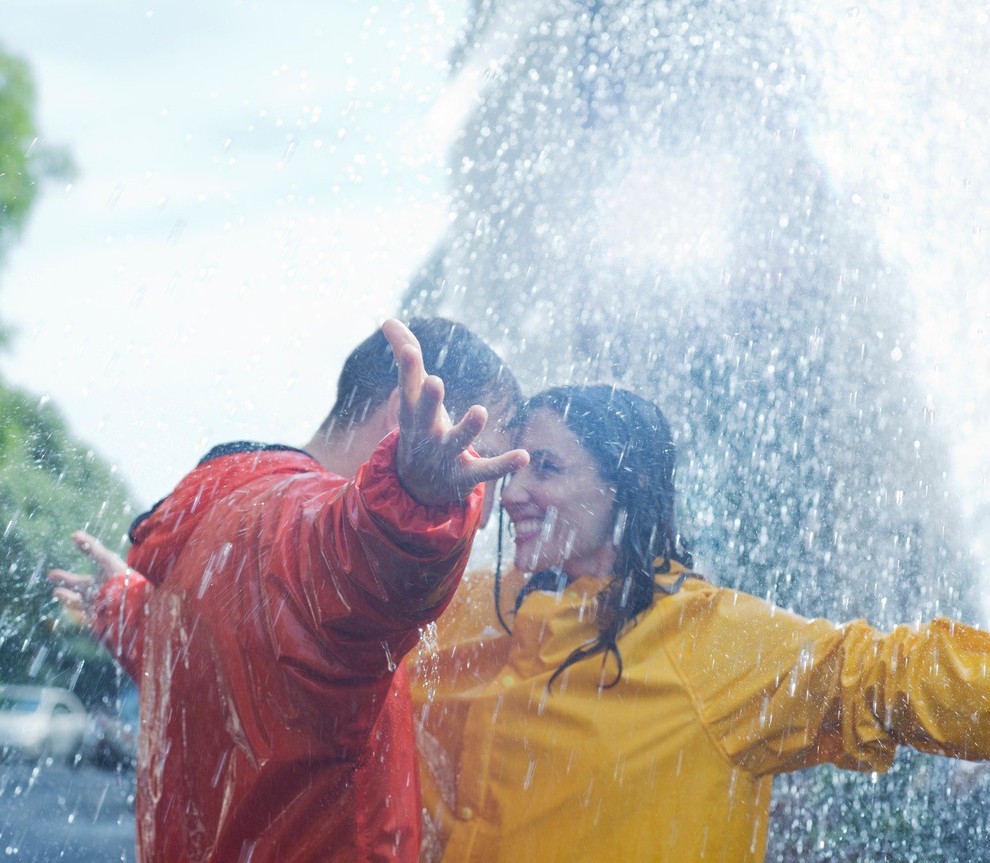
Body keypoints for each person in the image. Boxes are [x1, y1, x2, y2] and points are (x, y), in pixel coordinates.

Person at [409, 384, 990, 863]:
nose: (512, 495)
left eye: (547, 470)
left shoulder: (705, 638)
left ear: (623, 489)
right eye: (512, 471)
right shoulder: (474, 606)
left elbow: (883, 676)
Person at [48, 318, 528, 863]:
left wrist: (128, 610)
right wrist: (416, 501)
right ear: (403, 417)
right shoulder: (311, 525)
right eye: (477, 460)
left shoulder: (226, 520)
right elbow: (350, 565)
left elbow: (234, 665)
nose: (485, 511)